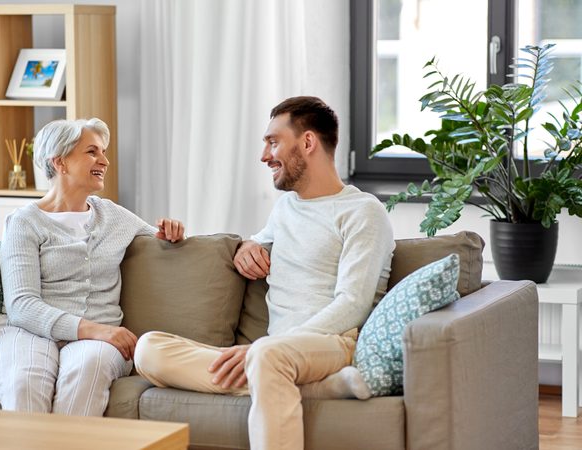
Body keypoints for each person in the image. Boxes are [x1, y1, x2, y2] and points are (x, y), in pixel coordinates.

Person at [133, 96, 395, 449]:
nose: (264, 155)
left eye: (273, 142)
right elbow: (260, 240)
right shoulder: (285, 207)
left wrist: (270, 347)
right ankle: (318, 387)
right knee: (149, 349)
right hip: (276, 354)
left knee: (266, 356)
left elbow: (353, 303)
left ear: (307, 142)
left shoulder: (363, 212)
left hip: (331, 342)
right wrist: (246, 247)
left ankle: (279, 370)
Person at [0, 118, 185, 416]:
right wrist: (96, 330)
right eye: (92, 152)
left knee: (84, 379)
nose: (104, 160)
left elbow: (160, 240)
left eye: (102, 152)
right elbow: (22, 306)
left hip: (99, 341)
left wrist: (174, 231)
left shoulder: (113, 216)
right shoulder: (24, 222)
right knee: (24, 383)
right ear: (60, 162)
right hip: (28, 331)